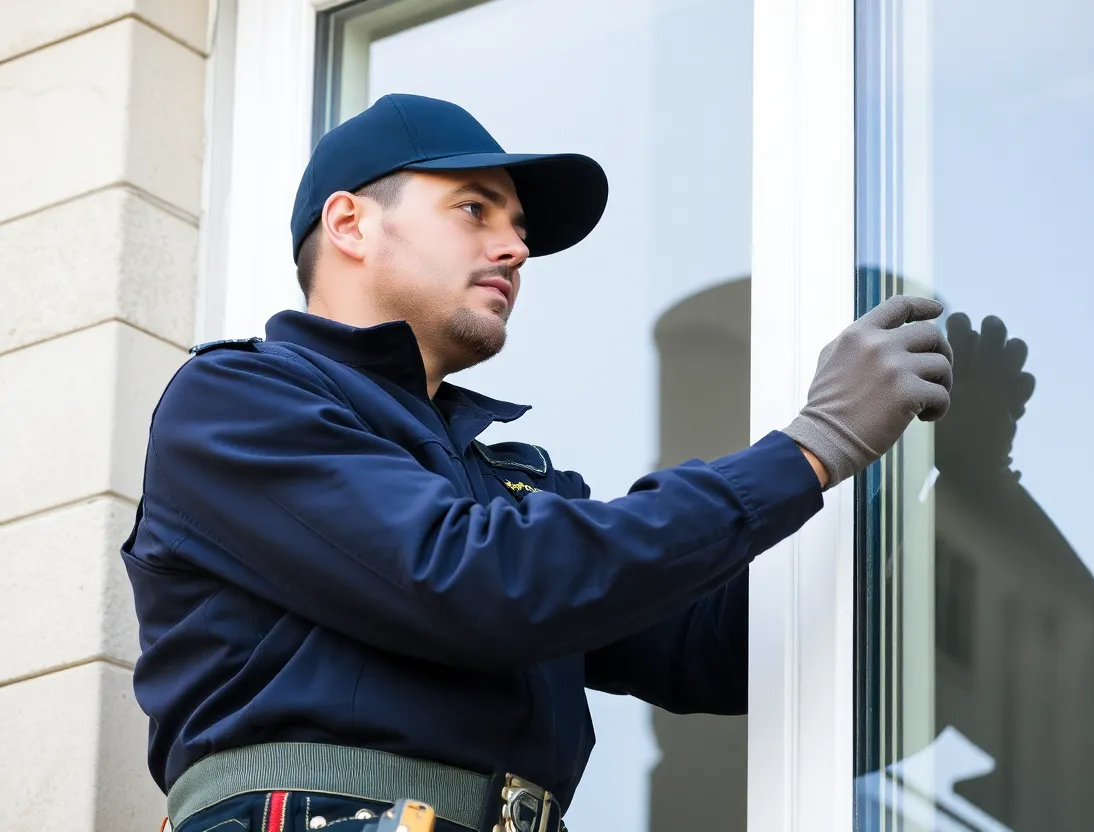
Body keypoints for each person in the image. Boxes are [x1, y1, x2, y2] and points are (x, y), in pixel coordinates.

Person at [121, 93, 954, 832]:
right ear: (349, 225)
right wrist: (810, 447)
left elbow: (723, 650)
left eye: (518, 228)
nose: (514, 249)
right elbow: (474, 579)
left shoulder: (507, 482)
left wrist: (922, 484)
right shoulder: (236, 401)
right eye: (475, 210)